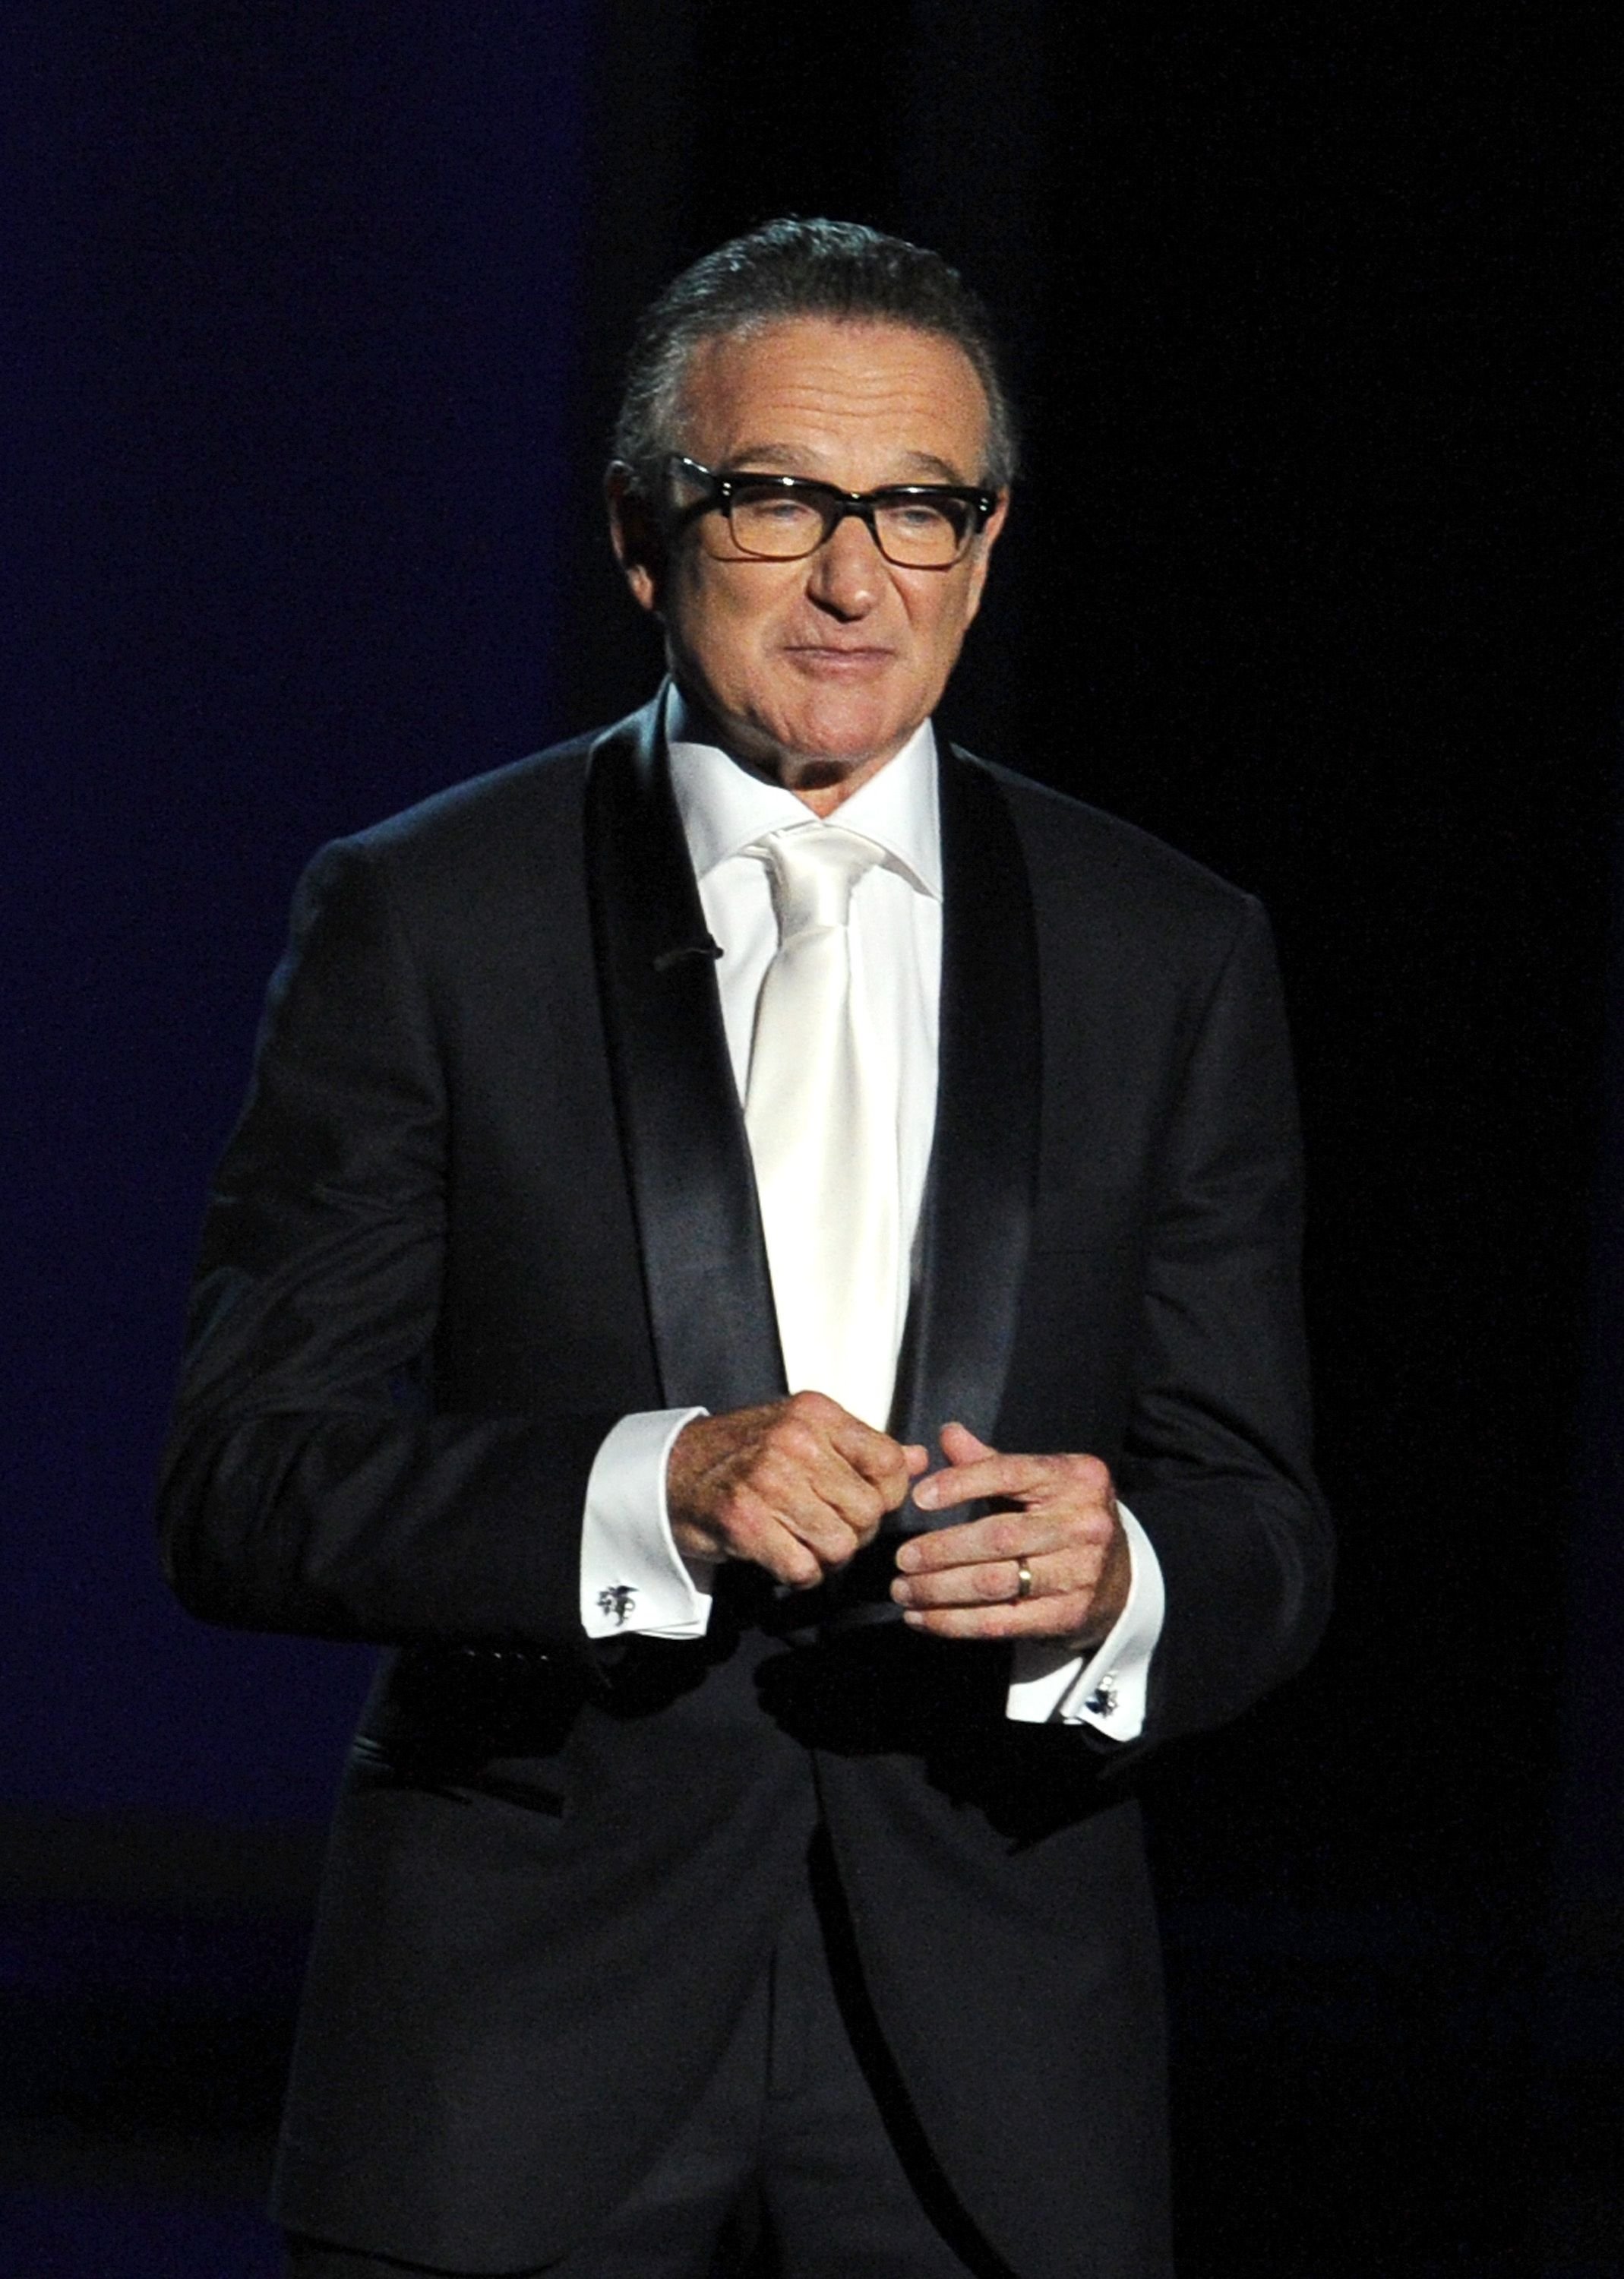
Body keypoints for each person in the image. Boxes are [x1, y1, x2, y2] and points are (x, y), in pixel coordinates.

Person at [159, 218, 1332, 2279]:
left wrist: (1117, 1575)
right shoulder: (426, 914)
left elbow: (1261, 1521)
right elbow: (245, 1482)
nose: (857, 579)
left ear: (986, 541)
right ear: (641, 530)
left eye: (921, 510)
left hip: (998, 2055)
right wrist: (650, 1483)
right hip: (512, 2051)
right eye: (781, 496)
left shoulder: (1172, 947)